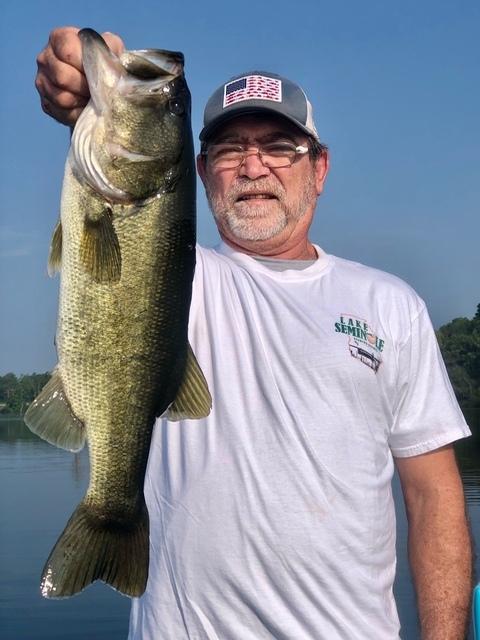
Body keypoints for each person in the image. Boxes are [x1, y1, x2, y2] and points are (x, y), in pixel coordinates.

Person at [36, 27, 474, 640]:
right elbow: (118, 199)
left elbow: (432, 495)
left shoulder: (392, 307)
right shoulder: (182, 276)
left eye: (279, 147)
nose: (252, 165)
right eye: (227, 149)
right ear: (200, 172)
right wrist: (78, 90)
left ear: (319, 168)